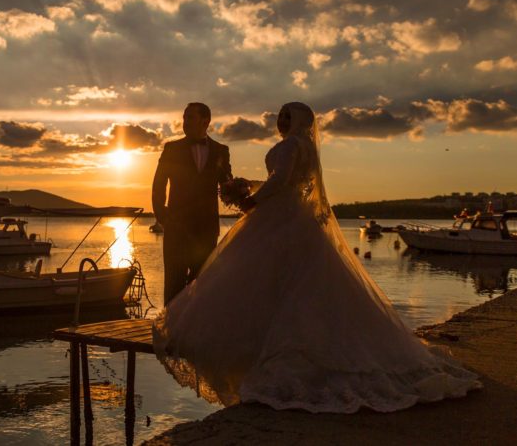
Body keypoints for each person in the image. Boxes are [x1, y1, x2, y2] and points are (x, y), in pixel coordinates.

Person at [152, 102, 480, 413]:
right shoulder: (304, 148)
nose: (279, 122)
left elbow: (280, 180)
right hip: (282, 218)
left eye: (284, 117)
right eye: (280, 116)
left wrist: (251, 201)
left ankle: (233, 341)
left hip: (274, 219)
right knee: (291, 283)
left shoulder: (287, 146)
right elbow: (284, 181)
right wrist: (243, 188)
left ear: (296, 121)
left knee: (251, 279)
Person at [152, 102, 233, 305]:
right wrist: (163, 217)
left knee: (202, 283)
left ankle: (195, 333)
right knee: (173, 283)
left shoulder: (221, 151)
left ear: (205, 121)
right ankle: (167, 331)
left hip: (206, 228)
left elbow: (226, 185)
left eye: (190, 117)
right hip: (176, 228)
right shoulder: (171, 149)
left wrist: (239, 192)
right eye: (184, 117)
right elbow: (158, 185)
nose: (184, 122)